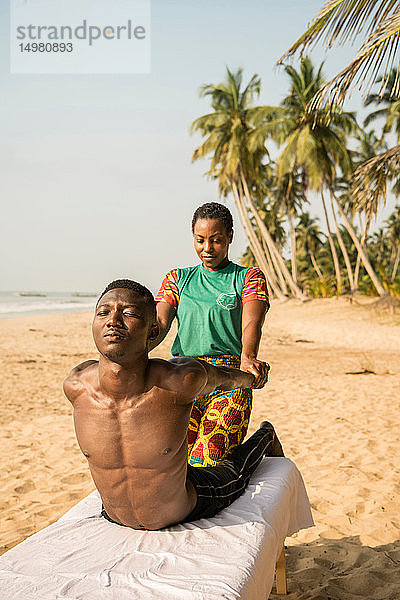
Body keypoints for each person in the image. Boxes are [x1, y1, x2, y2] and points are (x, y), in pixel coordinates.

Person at [63, 280, 283, 530]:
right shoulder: (76, 387)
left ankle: (266, 435)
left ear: (153, 332)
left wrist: (252, 378)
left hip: (189, 504)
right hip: (113, 515)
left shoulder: (178, 380)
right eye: (103, 312)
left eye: (129, 313)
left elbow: (226, 379)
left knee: (232, 471)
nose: (112, 320)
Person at [153, 202, 270, 467]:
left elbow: (253, 321)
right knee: (170, 462)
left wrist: (248, 357)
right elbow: (159, 323)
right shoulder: (177, 278)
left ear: (229, 236)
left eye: (216, 240)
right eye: (200, 240)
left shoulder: (247, 277)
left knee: (206, 462)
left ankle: (265, 437)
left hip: (229, 380)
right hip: (183, 379)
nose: (207, 248)